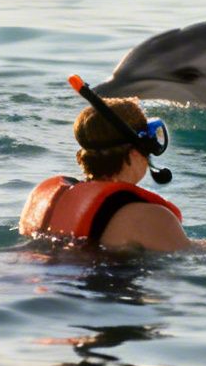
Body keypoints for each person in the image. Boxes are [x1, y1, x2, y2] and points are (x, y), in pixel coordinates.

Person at [21, 81, 192, 253]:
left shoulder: (47, 197)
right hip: (100, 278)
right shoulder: (150, 217)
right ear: (133, 154)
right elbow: (192, 257)